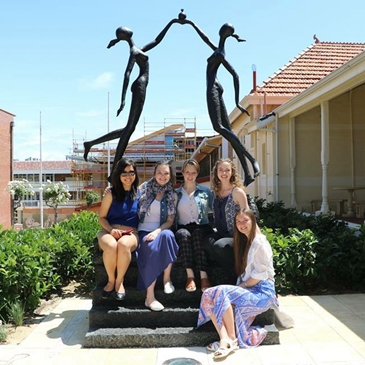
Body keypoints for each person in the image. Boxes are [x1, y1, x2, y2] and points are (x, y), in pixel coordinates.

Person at [83, 18, 182, 180]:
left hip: (140, 86)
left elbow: (157, 40)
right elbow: (127, 74)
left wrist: (172, 22)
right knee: (129, 130)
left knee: (127, 129)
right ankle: (113, 170)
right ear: (126, 35)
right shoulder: (134, 52)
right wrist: (122, 100)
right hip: (140, 87)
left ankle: (91, 144)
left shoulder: (138, 49)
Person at [180, 19, 260, 187]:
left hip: (213, 89)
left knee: (219, 128)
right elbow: (204, 37)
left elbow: (235, 75)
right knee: (229, 133)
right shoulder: (218, 49)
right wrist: (191, 23)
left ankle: (252, 161)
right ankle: (247, 174)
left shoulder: (219, 54)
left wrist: (237, 101)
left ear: (222, 33)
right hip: (217, 87)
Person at [197, 208, 277, 360]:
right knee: (209, 293)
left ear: (253, 221)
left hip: (262, 293)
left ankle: (231, 340)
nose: (241, 224)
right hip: (252, 290)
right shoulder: (247, 241)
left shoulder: (259, 242)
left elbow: (259, 276)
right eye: (238, 222)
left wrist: (238, 288)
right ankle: (225, 339)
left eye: (245, 220)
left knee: (222, 291)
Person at [137, 161, 179, 311]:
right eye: (160, 172)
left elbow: (170, 221)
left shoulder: (172, 195)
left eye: (166, 173)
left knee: (169, 236)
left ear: (170, 176)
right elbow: (125, 194)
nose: (163, 176)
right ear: (154, 174)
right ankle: (149, 297)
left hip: (160, 230)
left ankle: (167, 279)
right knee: (152, 249)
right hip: (144, 231)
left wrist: (157, 231)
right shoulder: (143, 189)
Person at [204, 158, 255, 283]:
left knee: (220, 246)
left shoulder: (237, 192)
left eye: (227, 170)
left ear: (232, 172)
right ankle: (231, 270)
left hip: (237, 235)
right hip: (221, 233)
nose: (224, 173)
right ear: (216, 172)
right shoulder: (216, 192)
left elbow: (248, 216)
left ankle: (236, 275)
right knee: (206, 242)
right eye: (221, 170)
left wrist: (254, 237)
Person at [97, 158, 140, 300]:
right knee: (110, 245)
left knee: (123, 244)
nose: (128, 176)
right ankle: (111, 280)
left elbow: (160, 182)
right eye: (124, 173)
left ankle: (119, 281)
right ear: (118, 175)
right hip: (109, 230)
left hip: (131, 233)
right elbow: (101, 217)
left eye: (131, 172)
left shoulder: (141, 193)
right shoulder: (111, 193)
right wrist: (110, 230)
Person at [175, 159, 214, 292]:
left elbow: (216, 209)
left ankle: (203, 276)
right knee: (183, 235)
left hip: (201, 226)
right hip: (183, 226)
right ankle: (190, 276)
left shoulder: (205, 192)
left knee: (197, 234)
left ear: (197, 173)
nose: (190, 176)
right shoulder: (176, 194)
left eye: (193, 173)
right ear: (183, 173)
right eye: (187, 172)